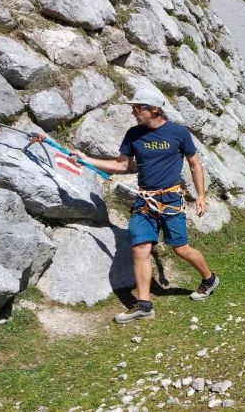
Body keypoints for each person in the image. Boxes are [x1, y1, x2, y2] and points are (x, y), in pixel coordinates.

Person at [68, 89, 218, 324]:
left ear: (154, 109)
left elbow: (194, 165)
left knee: (180, 248)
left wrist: (201, 196)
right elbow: (120, 165)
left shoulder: (179, 133)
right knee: (140, 249)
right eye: (133, 109)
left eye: (138, 108)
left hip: (170, 201)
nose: (133, 113)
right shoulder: (133, 135)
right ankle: (144, 305)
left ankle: (209, 279)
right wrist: (86, 160)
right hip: (145, 202)